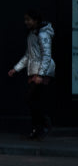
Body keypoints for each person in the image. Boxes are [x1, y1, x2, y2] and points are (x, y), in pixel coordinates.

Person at [8, 10, 56, 141]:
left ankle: (44, 124)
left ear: (36, 20)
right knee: (33, 100)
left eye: (28, 19)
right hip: (34, 70)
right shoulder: (32, 34)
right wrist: (16, 69)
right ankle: (37, 129)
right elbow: (28, 55)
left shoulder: (43, 34)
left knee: (31, 99)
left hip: (42, 72)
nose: (26, 22)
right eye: (25, 19)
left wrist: (41, 74)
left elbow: (47, 55)